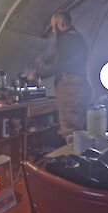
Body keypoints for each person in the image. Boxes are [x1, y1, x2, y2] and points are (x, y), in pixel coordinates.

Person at [35, 10, 91, 138]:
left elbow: (56, 64)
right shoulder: (77, 38)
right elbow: (60, 58)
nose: (53, 31)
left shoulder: (65, 40)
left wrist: (37, 74)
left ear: (61, 24)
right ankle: (81, 155)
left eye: (53, 27)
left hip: (70, 88)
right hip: (81, 86)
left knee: (71, 132)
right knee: (79, 129)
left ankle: (74, 157)